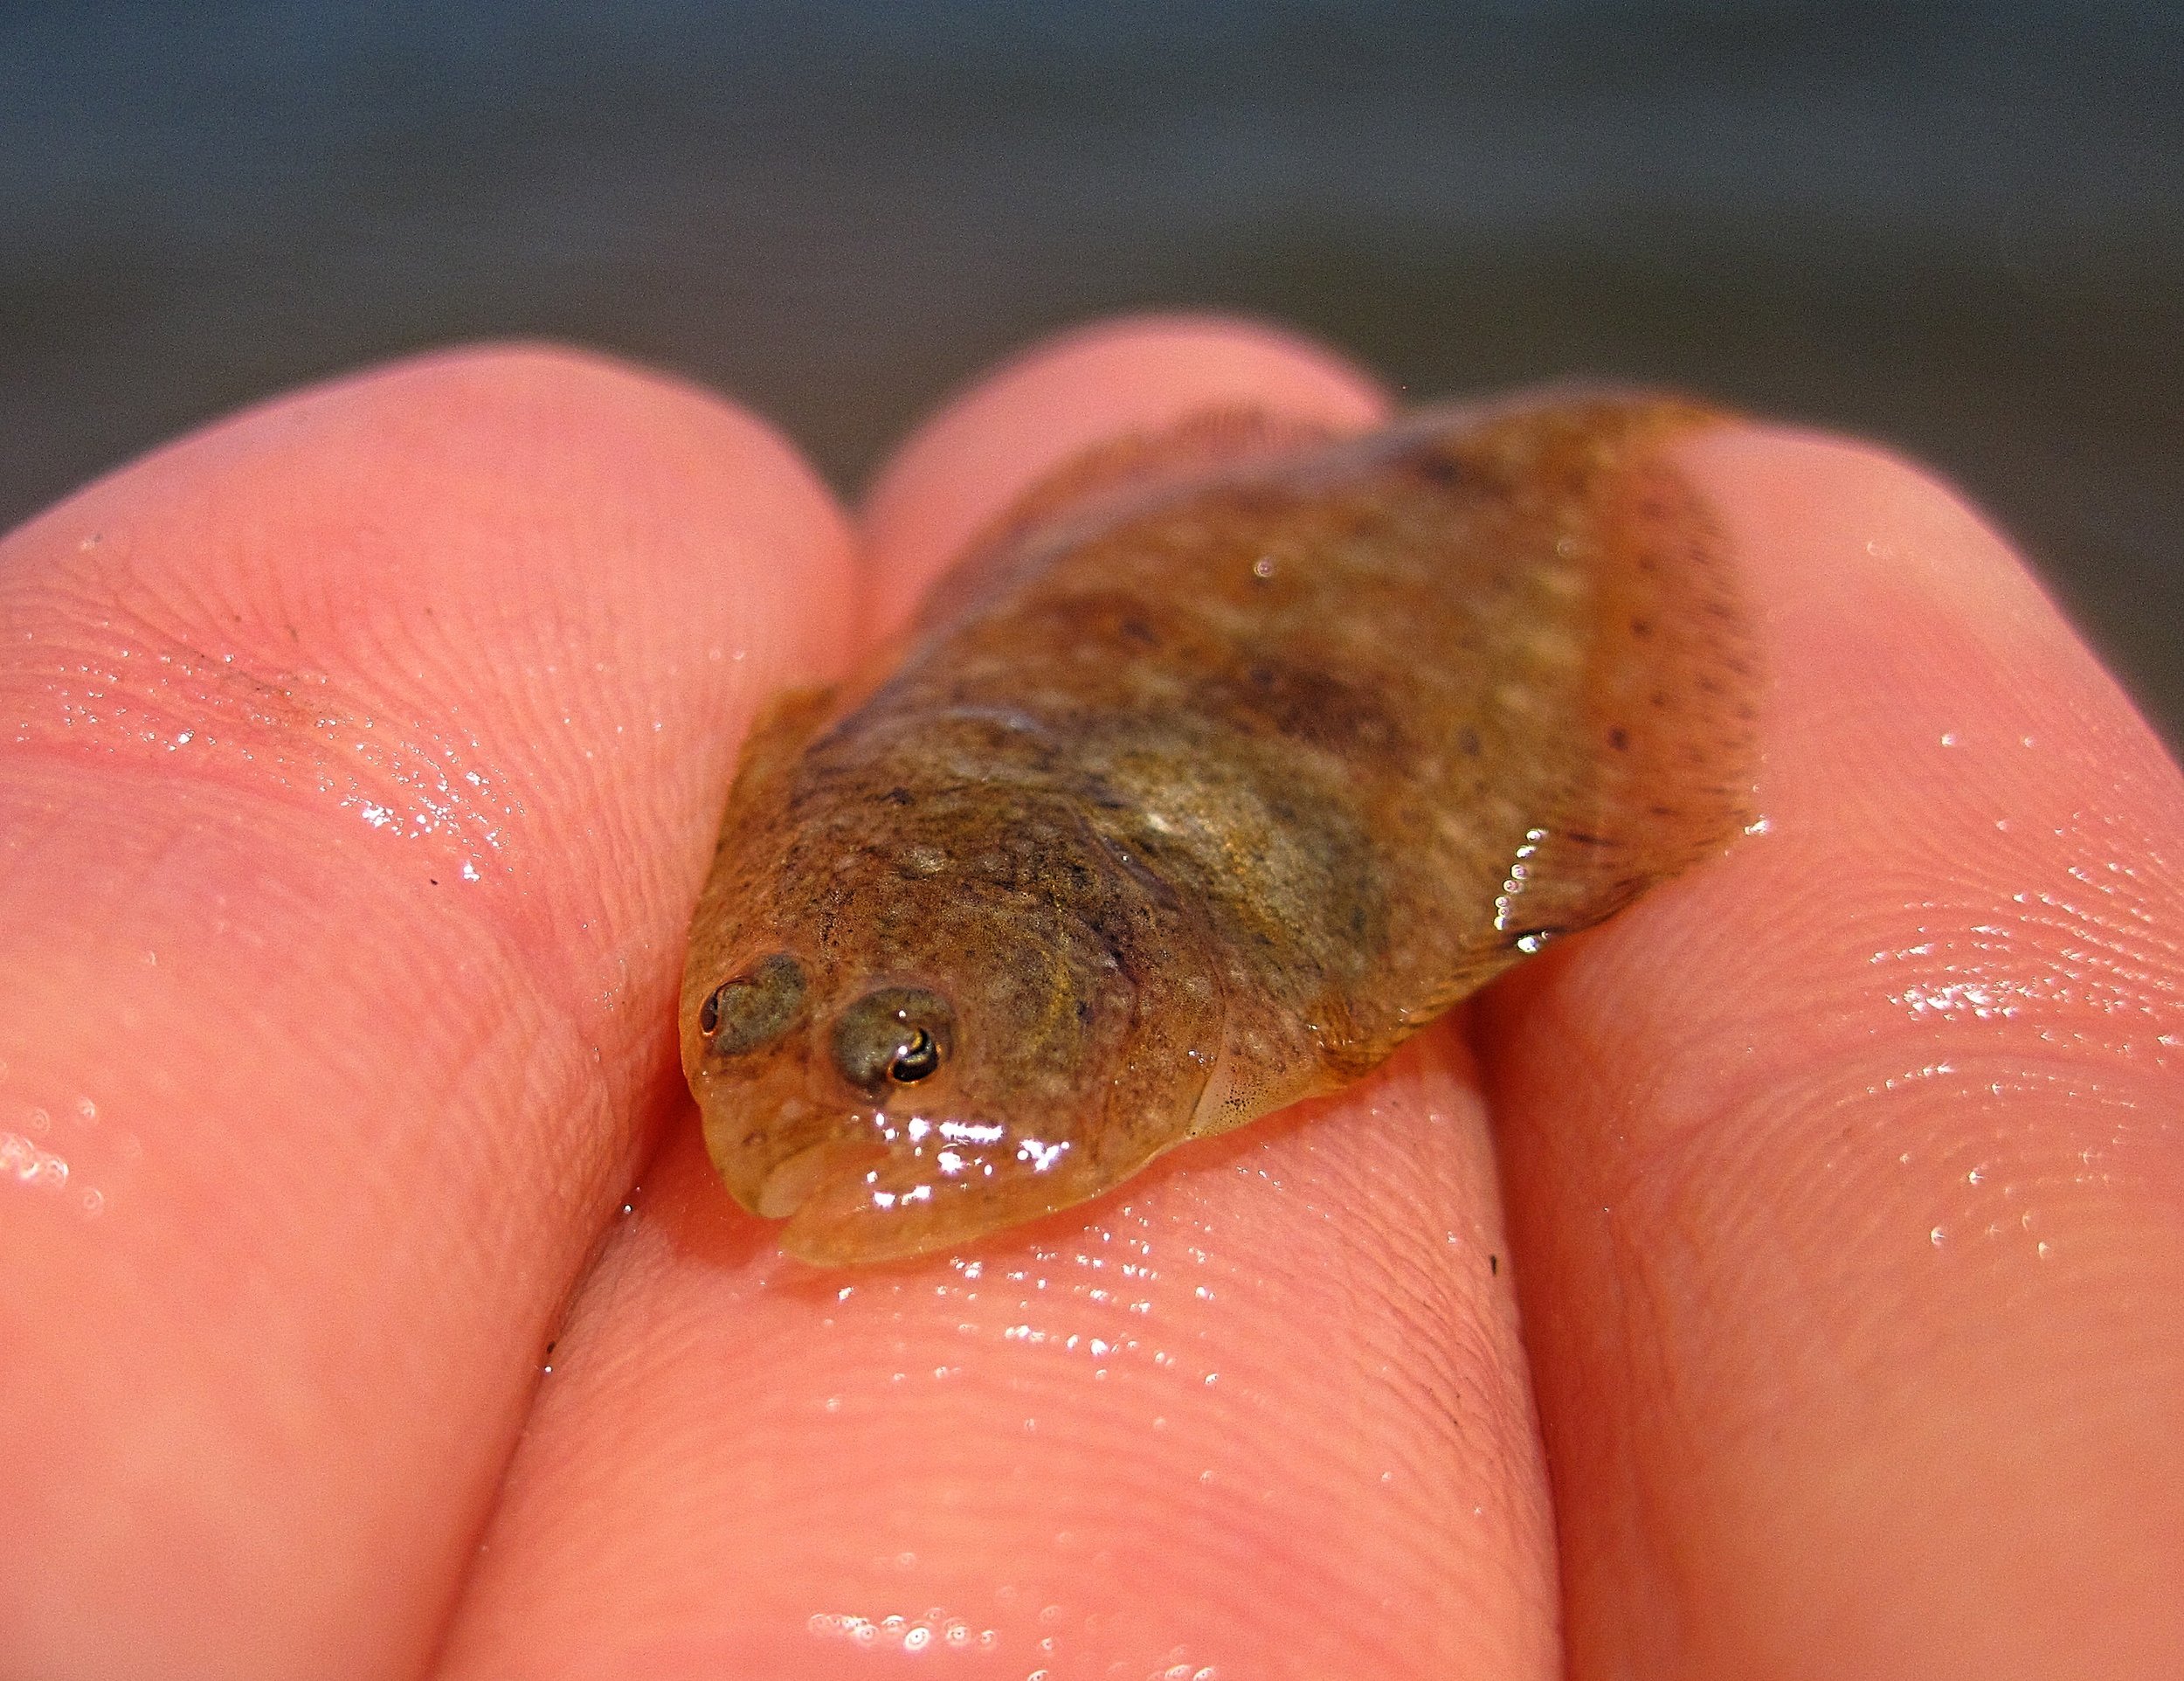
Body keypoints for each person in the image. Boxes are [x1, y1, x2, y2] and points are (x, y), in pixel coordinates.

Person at [1, 317, 2177, 1680]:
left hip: (1257, 720)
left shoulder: (1152, 964)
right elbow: (810, 762)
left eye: (892, 1062)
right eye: (760, 1020)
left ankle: (1552, 454)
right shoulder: (812, 892)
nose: (791, 1119)